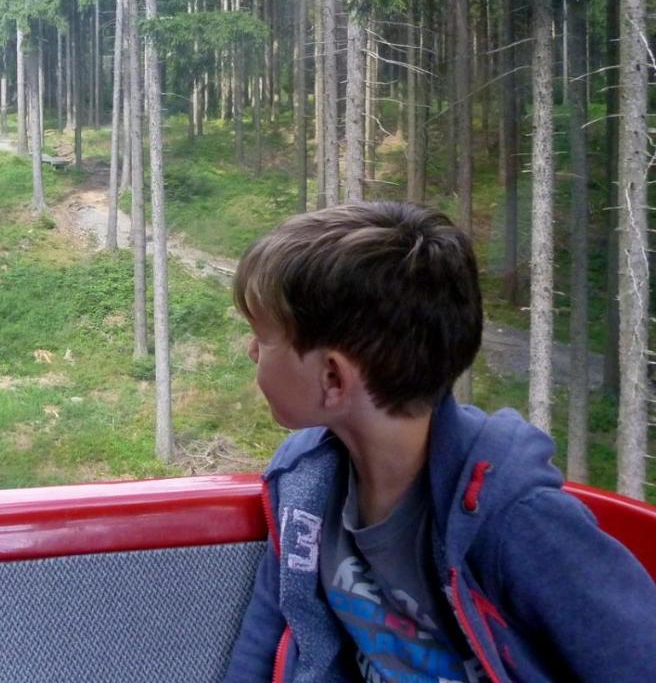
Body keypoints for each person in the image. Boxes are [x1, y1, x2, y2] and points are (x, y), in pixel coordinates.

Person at [221, 201, 656, 683]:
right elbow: (267, 638)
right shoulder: (302, 482)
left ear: (332, 376)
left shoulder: (516, 519)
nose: (252, 350)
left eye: (263, 336)